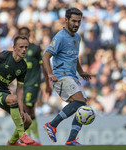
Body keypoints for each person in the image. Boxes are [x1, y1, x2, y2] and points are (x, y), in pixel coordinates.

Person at [42, 8, 91, 146]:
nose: (76, 24)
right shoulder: (60, 37)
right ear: (66, 20)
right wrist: (50, 73)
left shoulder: (77, 37)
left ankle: (71, 139)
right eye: (74, 21)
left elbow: (74, 58)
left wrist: (81, 72)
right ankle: (52, 124)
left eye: (79, 21)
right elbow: (46, 56)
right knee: (81, 103)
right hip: (60, 76)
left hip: (72, 76)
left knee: (82, 106)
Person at [0, 35, 36, 146]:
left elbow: (20, 89)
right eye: (21, 47)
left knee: (28, 121)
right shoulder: (3, 56)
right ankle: (22, 135)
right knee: (12, 99)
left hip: (4, 93)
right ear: (14, 47)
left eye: (26, 47)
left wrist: (20, 108)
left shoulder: (23, 66)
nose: (24, 50)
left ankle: (12, 142)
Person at [18, 27, 51, 145]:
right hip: (22, 85)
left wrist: (48, 84)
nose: (24, 37)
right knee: (31, 112)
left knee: (26, 108)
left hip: (33, 83)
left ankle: (24, 136)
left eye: (26, 34)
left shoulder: (35, 48)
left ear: (29, 34)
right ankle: (36, 138)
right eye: (21, 35)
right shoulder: (17, 51)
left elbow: (44, 66)